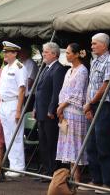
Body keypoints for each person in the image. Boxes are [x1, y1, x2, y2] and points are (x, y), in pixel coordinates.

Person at [81, 33, 110, 192]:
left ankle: (107, 183)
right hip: (92, 105)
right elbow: (91, 85)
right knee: (91, 145)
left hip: (103, 106)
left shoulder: (109, 61)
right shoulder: (94, 60)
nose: (92, 46)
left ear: (104, 45)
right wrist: (88, 106)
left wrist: (91, 103)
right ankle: (96, 180)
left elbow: (105, 86)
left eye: (95, 44)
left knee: (104, 146)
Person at [56, 43, 89, 183]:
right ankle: (71, 177)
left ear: (76, 54)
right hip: (66, 111)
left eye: (69, 53)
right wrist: (61, 108)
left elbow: (77, 93)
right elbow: (63, 91)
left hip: (75, 111)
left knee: (75, 144)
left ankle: (77, 179)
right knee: (67, 144)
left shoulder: (82, 71)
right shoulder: (69, 71)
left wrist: (61, 106)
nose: (67, 55)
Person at [34, 42, 67, 180]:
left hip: (49, 113)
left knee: (51, 142)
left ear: (54, 54)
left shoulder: (58, 69)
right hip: (41, 111)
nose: (43, 54)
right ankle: (46, 170)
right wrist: (35, 107)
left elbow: (56, 91)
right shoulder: (46, 68)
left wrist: (51, 109)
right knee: (43, 142)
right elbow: (38, 90)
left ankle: (53, 171)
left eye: (46, 52)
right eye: (43, 51)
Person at [0, 41, 28, 177]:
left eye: (8, 52)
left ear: (15, 53)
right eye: (4, 52)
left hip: (13, 103)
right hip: (4, 103)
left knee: (15, 136)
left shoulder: (19, 67)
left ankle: (19, 167)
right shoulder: (6, 67)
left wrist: (18, 110)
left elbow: (22, 89)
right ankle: (12, 164)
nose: (5, 54)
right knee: (8, 135)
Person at [19, 46, 39, 112]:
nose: (19, 54)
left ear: (27, 53)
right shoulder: (22, 63)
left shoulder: (31, 63)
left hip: (29, 95)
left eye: (21, 52)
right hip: (22, 93)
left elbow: (30, 82)